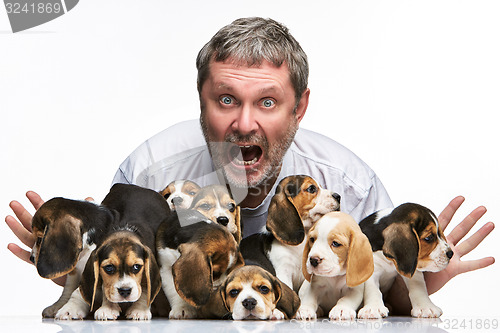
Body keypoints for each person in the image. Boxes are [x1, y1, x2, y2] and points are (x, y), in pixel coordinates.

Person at [6, 17, 495, 313]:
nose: (243, 123)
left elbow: (378, 302)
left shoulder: (349, 185)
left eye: (266, 102)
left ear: (298, 108)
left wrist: (416, 284)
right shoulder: (148, 173)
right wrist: (75, 268)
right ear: (201, 104)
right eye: (225, 99)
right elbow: (120, 289)